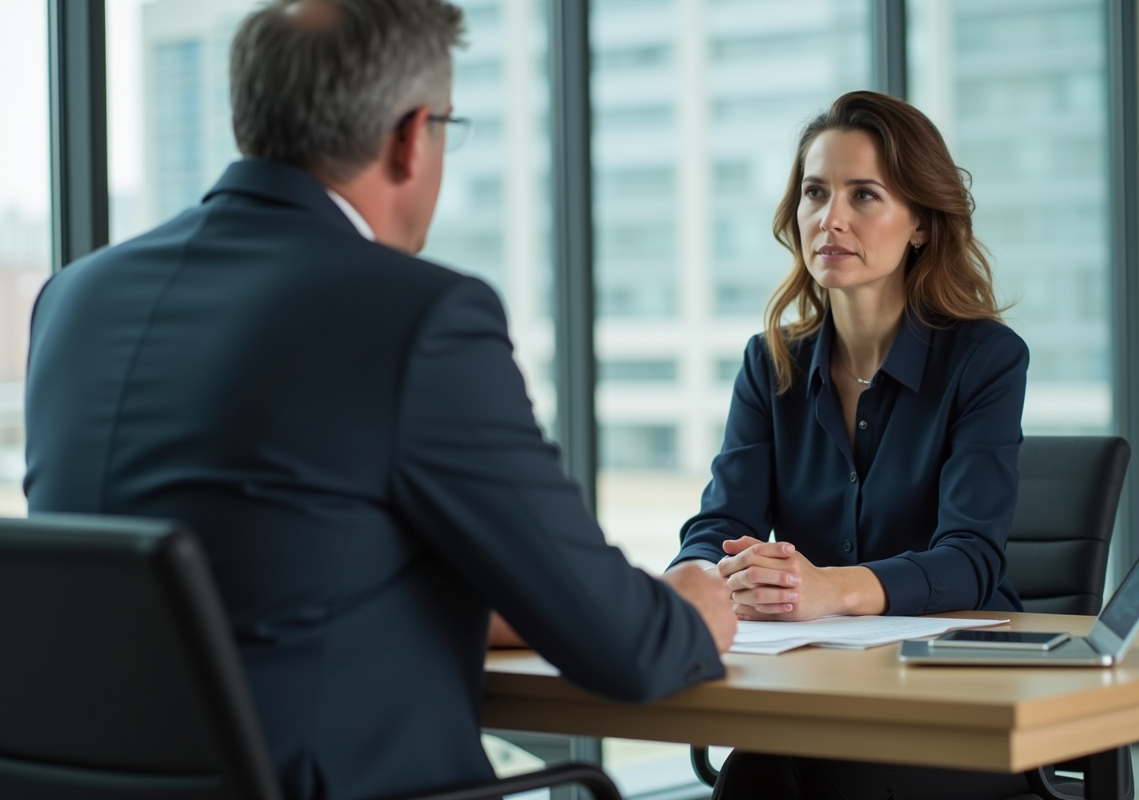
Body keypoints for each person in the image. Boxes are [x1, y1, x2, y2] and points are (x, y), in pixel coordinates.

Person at [23, 2, 735, 799]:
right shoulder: (419, 317)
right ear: (411, 135)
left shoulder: (76, 299)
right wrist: (693, 605)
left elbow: (261, 569)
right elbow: (627, 648)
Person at [666, 90, 1033, 798]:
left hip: (958, 700)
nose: (830, 218)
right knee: (758, 772)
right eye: (814, 193)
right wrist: (710, 574)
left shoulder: (985, 359)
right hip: (814, 687)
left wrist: (828, 589)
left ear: (921, 222)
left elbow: (971, 560)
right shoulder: (769, 361)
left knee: (794, 775)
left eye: (864, 195)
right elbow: (721, 525)